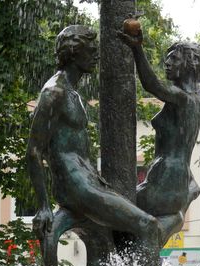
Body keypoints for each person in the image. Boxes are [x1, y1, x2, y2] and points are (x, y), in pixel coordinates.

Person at [26, 25, 161, 251]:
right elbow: (33, 151)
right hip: (78, 187)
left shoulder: (72, 92)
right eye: (90, 50)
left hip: (87, 182)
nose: (96, 55)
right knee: (148, 225)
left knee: (103, 247)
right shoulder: (54, 92)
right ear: (73, 52)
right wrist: (43, 206)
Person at [119, 28, 200, 245]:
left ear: (189, 65)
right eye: (167, 59)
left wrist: (137, 49)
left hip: (165, 179)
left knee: (108, 212)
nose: (167, 63)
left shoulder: (182, 97)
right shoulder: (199, 96)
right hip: (178, 180)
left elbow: (151, 85)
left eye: (174, 59)